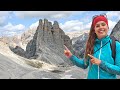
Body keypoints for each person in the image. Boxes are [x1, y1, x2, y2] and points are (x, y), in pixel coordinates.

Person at [64, 14, 120, 79]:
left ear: (107, 27)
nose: (101, 27)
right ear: (94, 29)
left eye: (103, 24)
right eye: (97, 26)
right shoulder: (91, 45)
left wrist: (101, 63)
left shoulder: (116, 45)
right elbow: (84, 64)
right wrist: (71, 56)